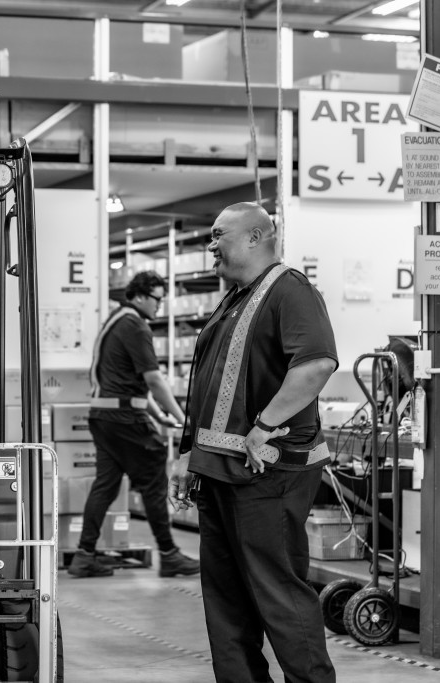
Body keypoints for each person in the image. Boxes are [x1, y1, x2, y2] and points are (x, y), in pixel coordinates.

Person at [169, 202, 338, 683]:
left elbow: (317, 364)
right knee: (226, 603)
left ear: (254, 236)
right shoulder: (235, 298)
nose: (211, 245)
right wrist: (188, 453)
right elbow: (210, 385)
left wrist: (263, 426)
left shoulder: (290, 289)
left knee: (279, 594)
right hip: (218, 472)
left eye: (218, 234)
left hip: (267, 474)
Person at [67, 271, 200, 579]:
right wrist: (183, 419)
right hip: (124, 419)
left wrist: (158, 415)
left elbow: (134, 383)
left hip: (104, 417)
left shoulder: (117, 320)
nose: (159, 306)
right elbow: (153, 380)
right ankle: (169, 554)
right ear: (140, 296)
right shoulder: (135, 325)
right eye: (156, 299)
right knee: (154, 479)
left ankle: (84, 556)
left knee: (106, 484)